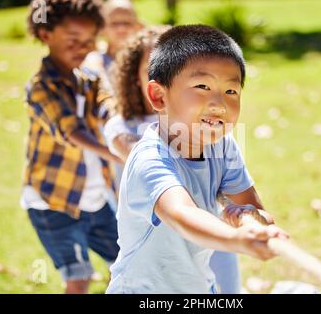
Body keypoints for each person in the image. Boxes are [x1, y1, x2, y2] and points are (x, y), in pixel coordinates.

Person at [106, 25, 289, 294]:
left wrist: (257, 223)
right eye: (202, 86)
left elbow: (253, 208)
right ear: (158, 96)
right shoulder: (149, 158)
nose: (218, 104)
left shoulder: (223, 147)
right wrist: (237, 238)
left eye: (231, 91)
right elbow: (182, 214)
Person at [23, 0, 122, 294]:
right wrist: (114, 152)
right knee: (79, 277)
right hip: (54, 203)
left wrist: (124, 128)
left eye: (90, 40)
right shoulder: (41, 87)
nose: (83, 47)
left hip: (94, 200)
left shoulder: (90, 79)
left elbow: (109, 106)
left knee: (127, 262)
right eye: (74, 38)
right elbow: (70, 130)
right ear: (45, 34)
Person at [82, 0, 143, 92]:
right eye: (114, 23)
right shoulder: (94, 61)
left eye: (127, 23)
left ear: (138, 26)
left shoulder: (144, 62)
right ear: (101, 28)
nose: (121, 29)